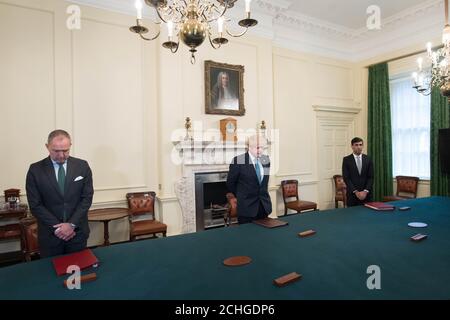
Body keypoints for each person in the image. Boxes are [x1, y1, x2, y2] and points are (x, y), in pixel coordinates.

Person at [26, 130, 94, 257]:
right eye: (56, 151)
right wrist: (59, 228)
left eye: (66, 151)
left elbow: (86, 198)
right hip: (50, 236)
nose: (61, 155)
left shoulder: (82, 166)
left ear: (70, 146)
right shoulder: (35, 170)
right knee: (51, 273)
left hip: (77, 233)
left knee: (78, 271)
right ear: (47, 147)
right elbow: (35, 205)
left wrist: (71, 224)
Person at [226, 135, 272, 224]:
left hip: (263, 206)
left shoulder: (266, 160)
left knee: (264, 236)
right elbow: (230, 184)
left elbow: (263, 184)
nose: (261, 150)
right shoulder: (238, 160)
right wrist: (242, 195)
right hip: (246, 208)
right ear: (249, 147)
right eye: (258, 148)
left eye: (263, 148)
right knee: (247, 236)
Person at [342, 137, 374, 207]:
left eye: (360, 145)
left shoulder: (368, 159)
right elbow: (346, 178)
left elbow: (371, 177)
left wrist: (365, 191)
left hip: (367, 196)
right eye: (356, 145)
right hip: (352, 196)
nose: (359, 147)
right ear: (352, 146)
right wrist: (356, 192)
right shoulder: (346, 160)